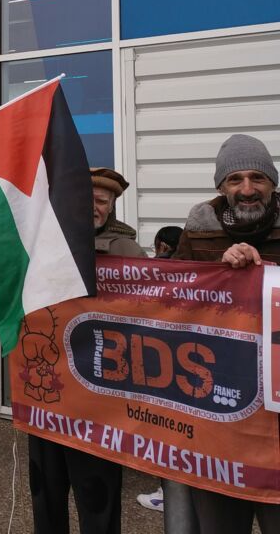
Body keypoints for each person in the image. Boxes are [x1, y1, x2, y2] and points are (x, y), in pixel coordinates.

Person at [172, 133, 280, 533]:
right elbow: (172, 298)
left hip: (277, 413)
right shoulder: (198, 230)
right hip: (217, 409)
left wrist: (264, 272)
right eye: (235, 179)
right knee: (219, 521)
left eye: (258, 178)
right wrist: (217, 274)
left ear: (273, 184)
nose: (247, 189)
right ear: (221, 187)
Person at [29, 166, 141, 534]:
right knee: (46, 493)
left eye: (102, 201)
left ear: (111, 207)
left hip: (99, 400)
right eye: (86, 197)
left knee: (97, 499)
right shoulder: (42, 245)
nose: (93, 206)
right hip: (48, 394)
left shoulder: (127, 252)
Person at [136, 225, 184, 515]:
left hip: (158, 361)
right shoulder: (194, 272)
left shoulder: (156, 272)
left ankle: (167, 492)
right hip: (183, 363)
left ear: (162, 246)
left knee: (165, 427)